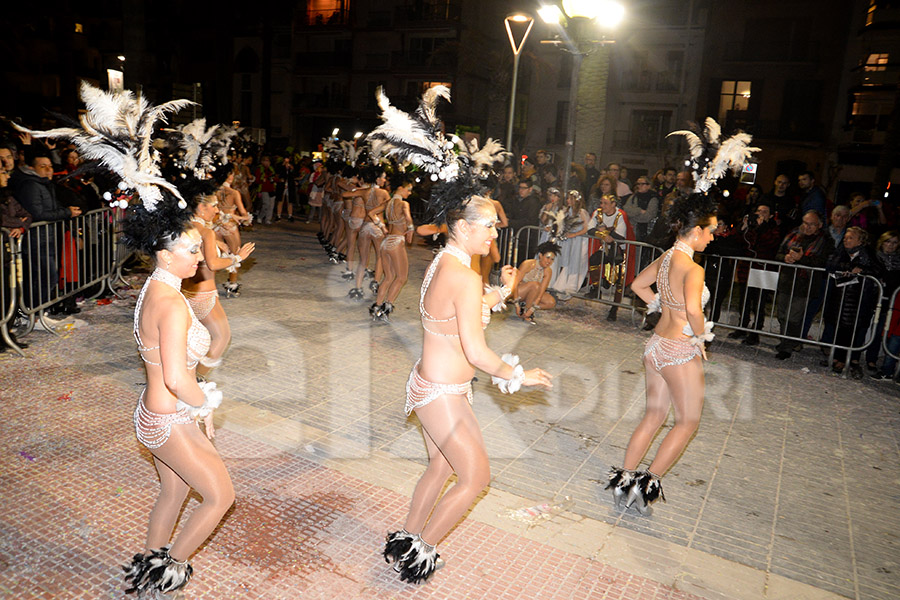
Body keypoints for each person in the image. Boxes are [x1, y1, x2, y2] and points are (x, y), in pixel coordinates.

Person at [385, 195, 552, 582]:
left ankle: (408, 539)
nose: (496, 232)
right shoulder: (462, 273)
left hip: (435, 384)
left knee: (442, 464)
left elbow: (468, 307)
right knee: (476, 477)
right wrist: (518, 374)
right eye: (489, 225)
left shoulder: (447, 261)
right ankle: (420, 552)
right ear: (463, 227)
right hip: (442, 391)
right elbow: (476, 350)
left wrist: (505, 290)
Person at [607, 193, 718, 515]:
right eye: (710, 231)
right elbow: (695, 311)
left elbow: (639, 286)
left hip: (655, 346)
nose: (711, 238)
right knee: (687, 422)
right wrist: (700, 336)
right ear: (695, 231)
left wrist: (662, 306)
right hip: (679, 351)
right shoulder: (693, 268)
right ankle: (646, 487)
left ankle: (624, 483)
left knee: (654, 416)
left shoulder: (668, 256)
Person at [184, 195, 255, 378]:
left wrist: (215, 243)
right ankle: (195, 379)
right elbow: (213, 264)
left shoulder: (184, 227)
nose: (217, 210)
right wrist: (237, 258)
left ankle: (183, 377)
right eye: (214, 206)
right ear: (201, 207)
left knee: (189, 338)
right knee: (222, 337)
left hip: (184, 292)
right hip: (203, 294)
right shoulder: (207, 233)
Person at [773, 210, 834, 360]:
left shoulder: (825, 240)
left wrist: (801, 259)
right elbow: (778, 253)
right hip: (787, 280)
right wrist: (785, 258)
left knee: (793, 317)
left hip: (805, 284)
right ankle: (786, 341)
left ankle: (787, 346)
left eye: (811, 224)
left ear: (819, 225)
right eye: (805, 223)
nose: (807, 227)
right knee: (782, 315)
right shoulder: (793, 234)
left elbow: (822, 262)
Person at [368, 177, 414, 320]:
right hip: (396, 242)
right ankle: (387, 308)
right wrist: (411, 229)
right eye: (409, 189)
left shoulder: (388, 203)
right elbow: (408, 217)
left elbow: (371, 213)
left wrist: (382, 226)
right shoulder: (403, 204)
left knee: (388, 277)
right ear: (402, 188)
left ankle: (377, 307)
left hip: (386, 242)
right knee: (401, 277)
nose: (410, 193)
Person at [550, 190, 591, 295]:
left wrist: (574, 234)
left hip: (579, 240)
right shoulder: (567, 211)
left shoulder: (581, 212)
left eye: (570, 199)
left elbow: (586, 228)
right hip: (569, 239)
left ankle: (572, 284)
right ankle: (561, 282)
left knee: (576, 261)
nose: (567, 200)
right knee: (567, 260)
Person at [511, 241, 559, 324]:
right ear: (540, 255)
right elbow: (514, 284)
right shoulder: (528, 264)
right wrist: (516, 304)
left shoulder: (548, 271)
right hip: (518, 292)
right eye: (547, 257)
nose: (549, 261)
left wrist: (533, 308)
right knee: (535, 285)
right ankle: (525, 310)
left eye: (552, 259)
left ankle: (527, 310)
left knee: (551, 302)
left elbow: (541, 293)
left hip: (533, 293)